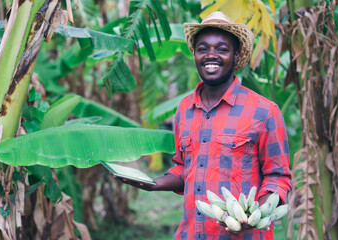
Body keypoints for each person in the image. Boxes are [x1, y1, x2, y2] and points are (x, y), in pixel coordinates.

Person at [119, 11, 292, 240]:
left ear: (236, 54)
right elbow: (185, 168)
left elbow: (278, 177)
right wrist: (152, 184)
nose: (211, 55)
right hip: (190, 234)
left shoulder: (264, 111)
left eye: (222, 49)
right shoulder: (184, 110)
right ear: (195, 54)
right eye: (203, 49)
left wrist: (254, 216)